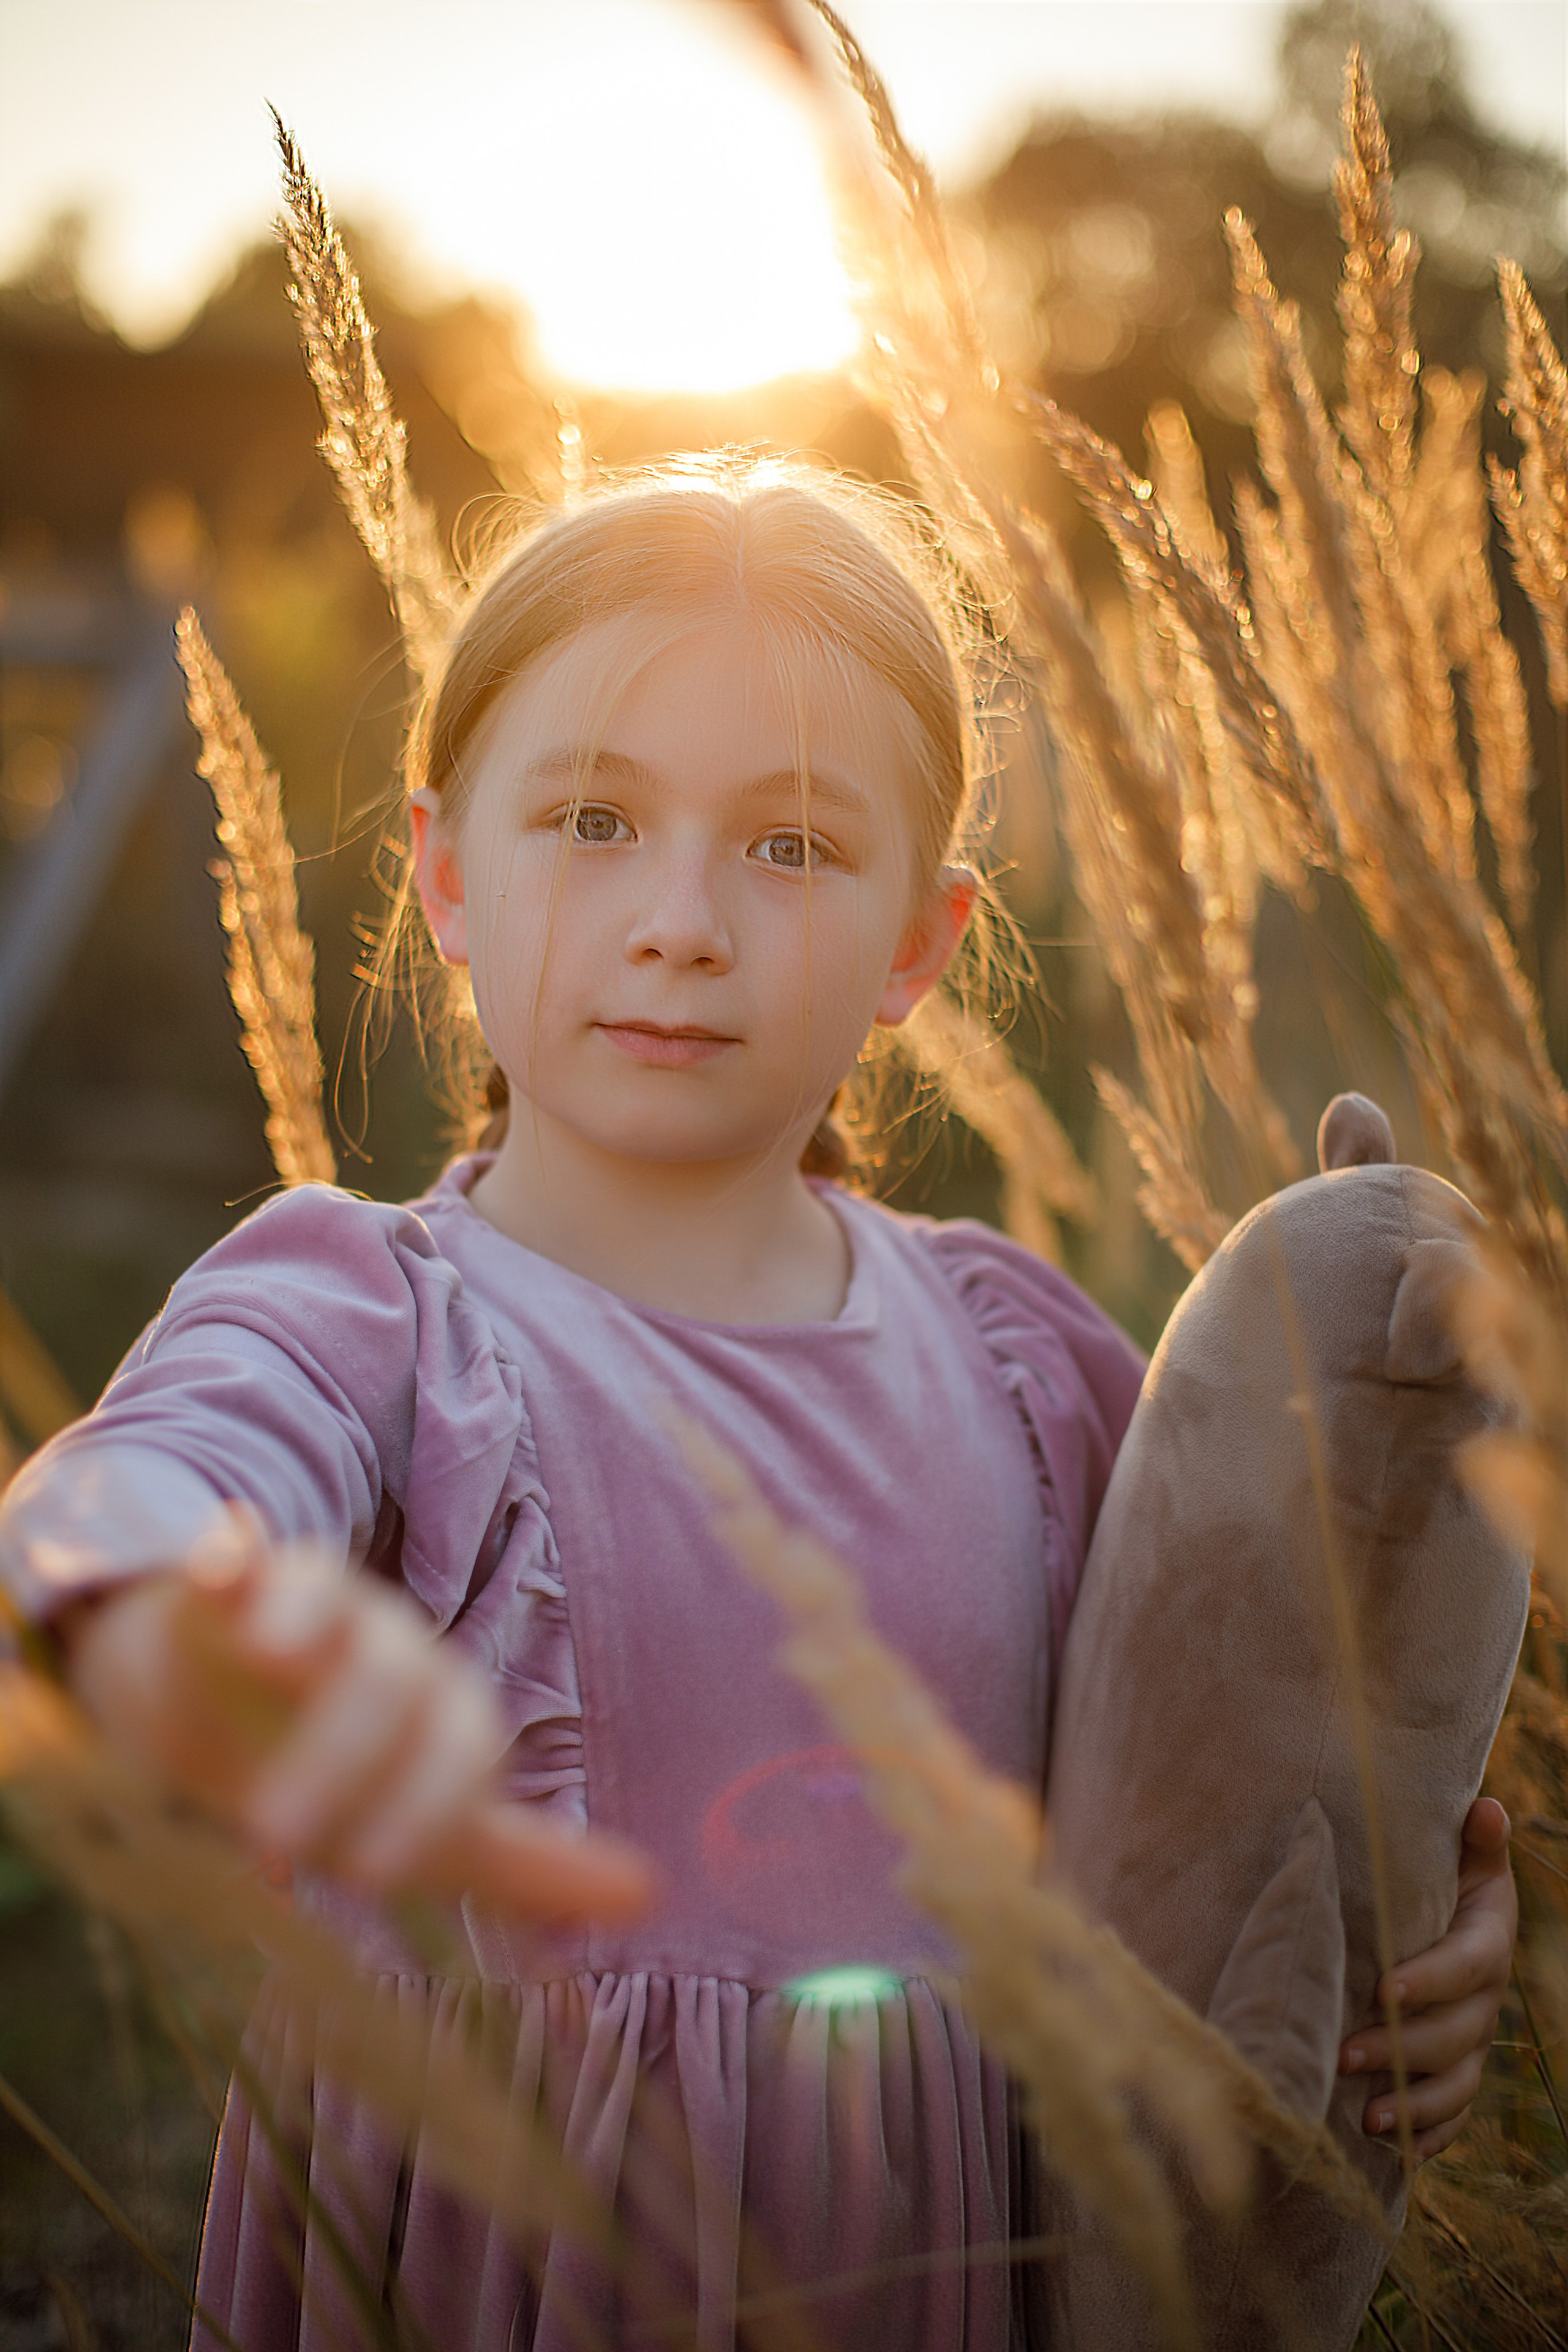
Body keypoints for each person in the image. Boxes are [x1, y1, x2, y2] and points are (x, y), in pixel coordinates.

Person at [0, 462, 1515, 2352]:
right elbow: (162, 1469)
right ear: (449, 879)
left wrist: (1439, 1947)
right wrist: (153, 1604)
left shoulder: (1026, 1360)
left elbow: (1255, 1735)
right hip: (501, 2259)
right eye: (594, 821)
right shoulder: (372, 1307)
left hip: (949, 2267)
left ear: (920, 946)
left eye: (790, 846)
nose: (683, 918)